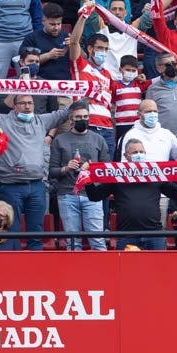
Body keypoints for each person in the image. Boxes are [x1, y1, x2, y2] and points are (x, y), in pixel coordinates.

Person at [0, 92, 70, 250]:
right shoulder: (3, 120)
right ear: (14, 106)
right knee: (11, 233)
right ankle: (11, 269)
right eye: (23, 103)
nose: (27, 106)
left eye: (30, 103)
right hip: (11, 186)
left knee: (36, 233)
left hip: (37, 185)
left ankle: (35, 269)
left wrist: (88, 96)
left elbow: (65, 113)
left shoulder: (41, 120)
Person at [86, 139, 177, 251]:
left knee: (158, 268)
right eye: (135, 152)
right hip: (127, 236)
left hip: (154, 235)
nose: (139, 155)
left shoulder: (155, 174)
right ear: (126, 155)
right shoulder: (117, 175)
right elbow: (94, 196)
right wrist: (88, 183)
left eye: (141, 152)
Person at [50, 102, 112, 251]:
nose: (82, 119)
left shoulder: (98, 139)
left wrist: (92, 169)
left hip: (92, 195)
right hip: (67, 194)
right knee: (72, 242)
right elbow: (51, 171)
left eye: (85, 116)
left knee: (97, 240)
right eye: (78, 117)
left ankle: (104, 273)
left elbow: (107, 170)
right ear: (71, 120)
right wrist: (65, 168)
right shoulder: (60, 140)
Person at [68, 11, 118, 152]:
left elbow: (111, 103)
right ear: (90, 49)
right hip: (86, 126)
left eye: (106, 49)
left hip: (107, 128)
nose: (103, 52)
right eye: (100, 48)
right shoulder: (81, 66)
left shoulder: (108, 74)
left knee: (106, 169)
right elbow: (73, 42)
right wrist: (83, 16)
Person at [118, 97, 177, 162]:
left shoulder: (167, 134)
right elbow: (123, 164)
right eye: (148, 112)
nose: (152, 114)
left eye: (155, 111)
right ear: (139, 115)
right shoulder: (129, 135)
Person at [21, 3, 72, 81]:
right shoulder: (32, 38)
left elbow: (84, 58)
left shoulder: (67, 37)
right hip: (40, 84)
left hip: (65, 84)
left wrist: (75, 45)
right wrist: (48, 56)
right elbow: (23, 64)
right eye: (52, 24)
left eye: (59, 24)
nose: (56, 27)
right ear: (43, 21)